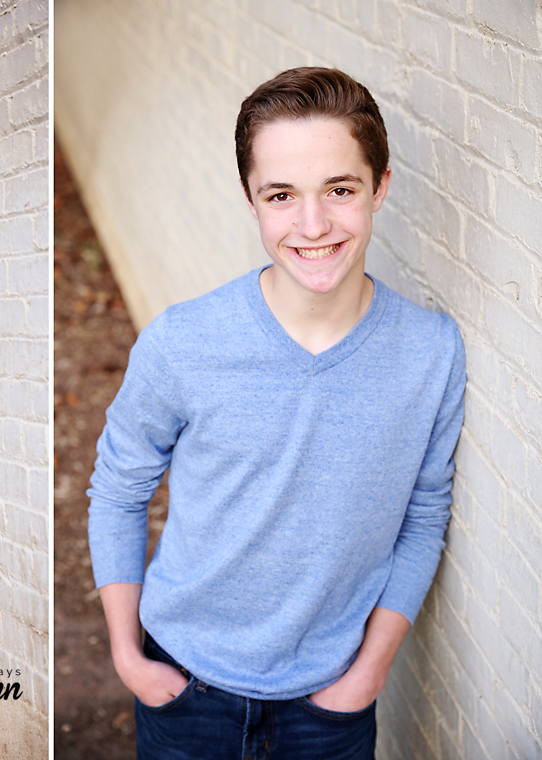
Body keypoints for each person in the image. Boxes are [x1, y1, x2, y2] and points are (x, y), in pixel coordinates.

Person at [87, 67, 466, 759]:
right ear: (250, 200)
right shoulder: (184, 341)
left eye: (341, 190)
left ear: (380, 187)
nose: (313, 224)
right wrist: (128, 658)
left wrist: (369, 672)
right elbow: (118, 486)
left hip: (331, 705)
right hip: (185, 690)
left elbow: (424, 515)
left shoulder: (430, 352)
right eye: (282, 195)